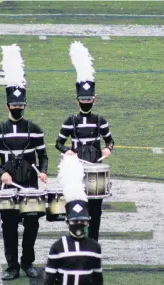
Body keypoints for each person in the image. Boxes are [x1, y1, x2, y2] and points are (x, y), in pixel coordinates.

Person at [0, 44, 48, 280]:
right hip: (8, 185)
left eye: (20, 106)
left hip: (30, 183)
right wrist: (2, 173)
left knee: (32, 225)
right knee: (10, 228)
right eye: (14, 106)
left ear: (25, 105)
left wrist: (43, 172)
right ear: (7, 106)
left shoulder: (34, 129)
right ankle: (12, 266)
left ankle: (27, 262)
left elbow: (43, 156)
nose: (17, 109)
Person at [55, 41, 114, 241]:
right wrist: (67, 151)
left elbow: (110, 141)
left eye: (89, 100)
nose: (86, 102)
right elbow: (58, 143)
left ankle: (93, 242)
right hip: (76, 169)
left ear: (94, 100)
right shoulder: (70, 121)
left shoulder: (100, 120)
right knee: (77, 206)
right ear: (77, 99)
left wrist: (108, 150)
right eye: (83, 99)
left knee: (96, 210)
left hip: (95, 168)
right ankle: (76, 238)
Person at [44, 156, 103, 285]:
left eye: (82, 221)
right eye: (74, 221)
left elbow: (98, 281)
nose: (79, 225)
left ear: (88, 222)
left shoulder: (95, 247)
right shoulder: (58, 247)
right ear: (67, 222)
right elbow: (49, 281)